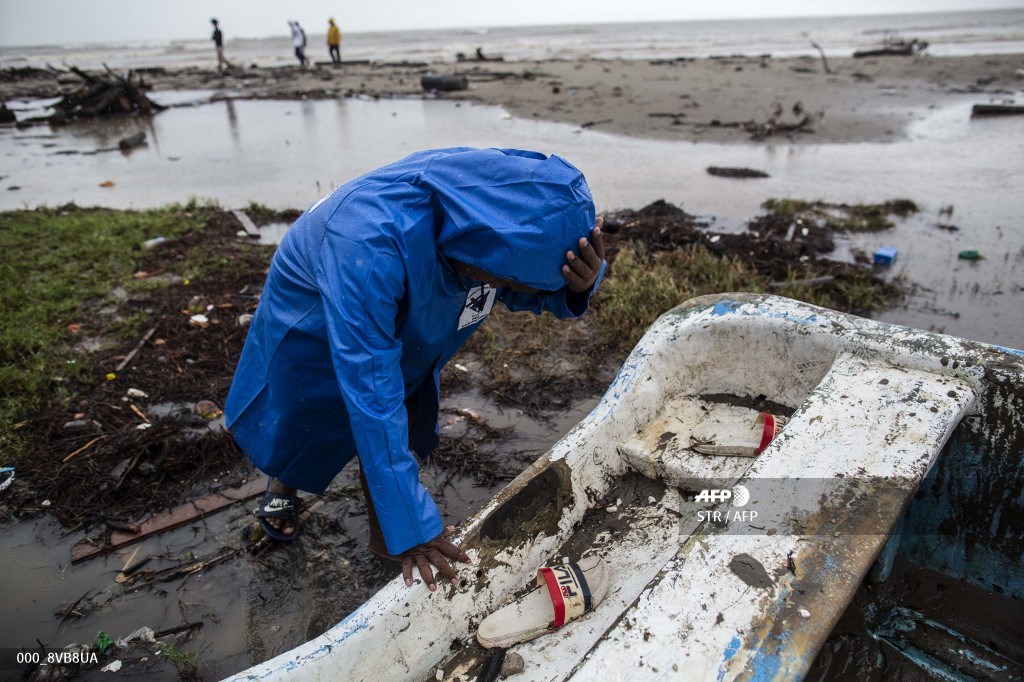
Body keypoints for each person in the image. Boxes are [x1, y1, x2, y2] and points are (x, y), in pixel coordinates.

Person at [225, 147, 606, 591]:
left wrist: (581, 282)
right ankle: (284, 485)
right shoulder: (365, 241)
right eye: (506, 281)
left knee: (405, 400)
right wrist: (415, 530)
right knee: (308, 411)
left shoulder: (496, 225)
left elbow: (521, 285)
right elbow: (371, 393)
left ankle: (389, 529)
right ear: (485, 261)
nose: (506, 290)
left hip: (415, 289)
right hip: (317, 304)